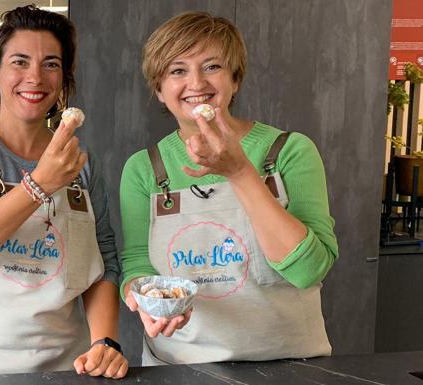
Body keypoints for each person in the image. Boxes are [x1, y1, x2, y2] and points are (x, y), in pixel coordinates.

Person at [120, 12, 339, 365]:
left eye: (212, 66)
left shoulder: (288, 151)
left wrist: (239, 172)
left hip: (289, 363)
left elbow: (309, 270)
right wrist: (145, 301)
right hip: (178, 365)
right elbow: (137, 264)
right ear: (159, 89)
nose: (196, 83)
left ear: (235, 80)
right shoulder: (144, 168)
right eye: (177, 70)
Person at [0, 5, 127, 379]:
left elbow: (103, 264)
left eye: (51, 64)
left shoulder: (80, 163)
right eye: (20, 61)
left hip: (68, 363)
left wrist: (104, 343)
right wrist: (39, 184)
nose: (35, 76)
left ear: (63, 79)